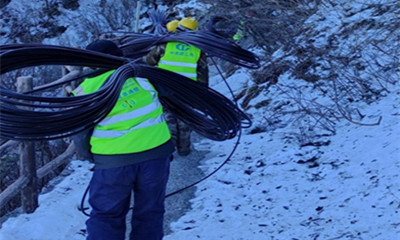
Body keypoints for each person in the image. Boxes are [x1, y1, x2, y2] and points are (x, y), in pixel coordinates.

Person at [73, 39, 175, 240]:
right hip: (156, 155)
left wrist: (93, 158)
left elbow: (81, 134)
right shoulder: (143, 77)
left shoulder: (86, 90)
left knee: (106, 215)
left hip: (114, 163)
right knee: (150, 211)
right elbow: (170, 91)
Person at [144, 17, 209, 156]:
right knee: (185, 118)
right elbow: (202, 74)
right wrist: (202, 94)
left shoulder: (166, 45)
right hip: (187, 90)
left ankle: (169, 149)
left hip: (164, 87)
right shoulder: (198, 49)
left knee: (168, 116)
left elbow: (149, 61)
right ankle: (184, 149)